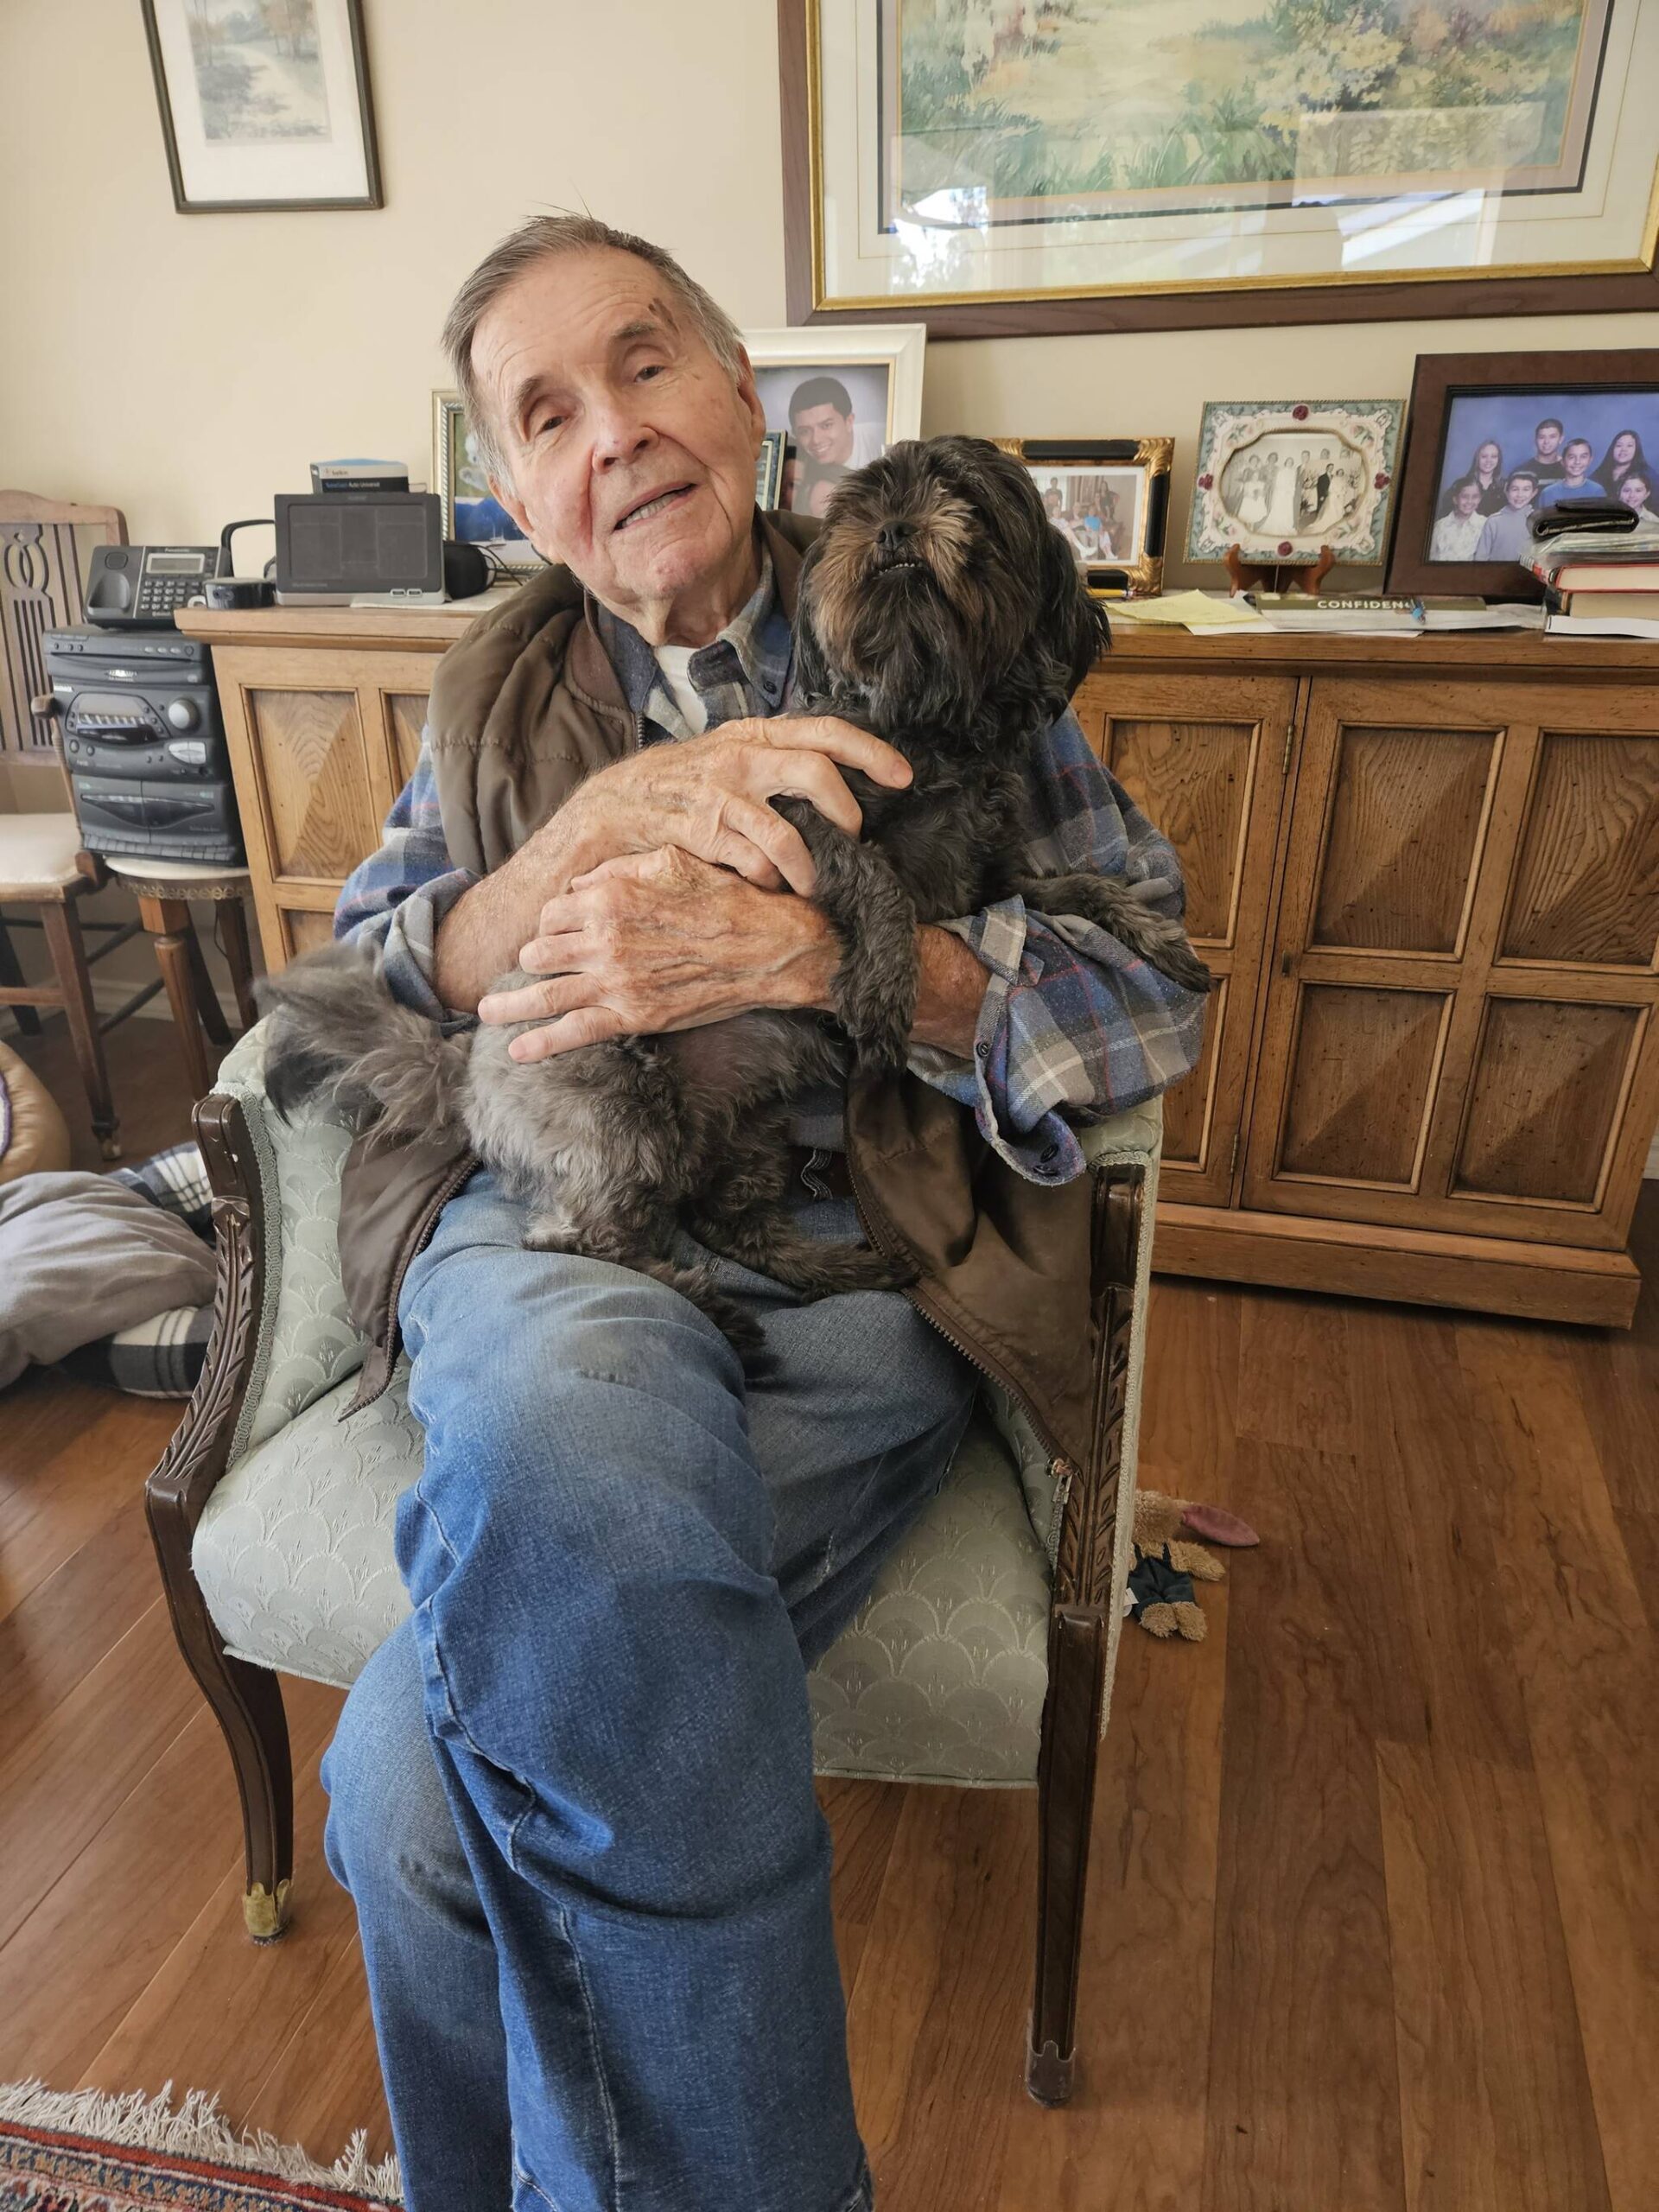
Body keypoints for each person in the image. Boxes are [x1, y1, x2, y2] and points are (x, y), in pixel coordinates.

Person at [318, 213, 1205, 2212]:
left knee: (408, 1795)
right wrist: (554, 854)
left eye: (646, 365)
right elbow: (374, 963)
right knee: (567, 1416)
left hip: (847, 1257)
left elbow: (1150, 991)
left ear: (749, 401)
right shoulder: (494, 697)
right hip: (559, 1242)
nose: (612, 432)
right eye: (545, 412)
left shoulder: (929, 607)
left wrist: (835, 963)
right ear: (522, 495)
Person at [787, 373, 885, 471]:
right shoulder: (792, 463)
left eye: (826, 425)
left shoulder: (883, 438)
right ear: (795, 434)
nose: (816, 440)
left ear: (849, 422)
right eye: (805, 431)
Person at [1472, 468, 1541, 561]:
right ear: (1506, 490)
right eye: (1515, 489)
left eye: (1526, 490)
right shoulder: (1493, 521)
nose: (1520, 495)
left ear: (1534, 493)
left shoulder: (1538, 521)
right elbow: (1481, 557)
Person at [1430, 475, 1489, 559]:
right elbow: (1431, 556)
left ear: (1480, 499)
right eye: (1465, 496)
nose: (1469, 501)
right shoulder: (1440, 526)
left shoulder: (1486, 525)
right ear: (1455, 499)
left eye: (1475, 497)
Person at [1441, 437, 1504, 516]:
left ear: (1499, 460)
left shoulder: (1504, 488)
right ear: (1477, 459)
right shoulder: (1461, 485)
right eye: (1484, 456)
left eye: (1494, 456)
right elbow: (1445, 513)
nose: (1489, 460)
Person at [1535, 435, 1600, 508]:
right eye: (1571, 457)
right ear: (1562, 461)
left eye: (1583, 457)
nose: (1577, 462)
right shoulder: (1548, 493)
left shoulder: (1597, 491)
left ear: (1590, 460)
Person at [1594, 426, 1651, 499]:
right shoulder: (1600, 474)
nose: (1623, 449)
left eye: (1629, 446)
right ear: (1612, 449)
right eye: (1619, 445)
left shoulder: (1648, 475)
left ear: (1637, 450)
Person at [1527, 417, 1567, 482]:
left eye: (1552, 437)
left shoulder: (1570, 468)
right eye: (1542, 437)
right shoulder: (1524, 470)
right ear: (1535, 440)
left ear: (1561, 439)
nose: (1546, 442)